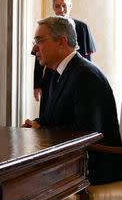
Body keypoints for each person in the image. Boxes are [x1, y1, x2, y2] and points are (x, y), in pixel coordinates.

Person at [23, 16, 122, 185]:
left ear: (62, 41)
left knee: (22, 181)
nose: (34, 49)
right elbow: (52, 119)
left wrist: (43, 130)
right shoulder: (57, 73)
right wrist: (35, 124)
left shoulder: (86, 75)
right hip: (72, 159)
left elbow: (87, 132)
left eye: (39, 41)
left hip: (96, 164)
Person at [34, 0, 96, 115]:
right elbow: (39, 56)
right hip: (51, 76)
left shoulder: (82, 27)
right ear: (53, 8)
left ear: (70, 6)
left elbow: (87, 59)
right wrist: (37, 84)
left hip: (74, 75)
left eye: (64, 5)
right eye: (58, 6)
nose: (61, 9)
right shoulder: (45, 27)